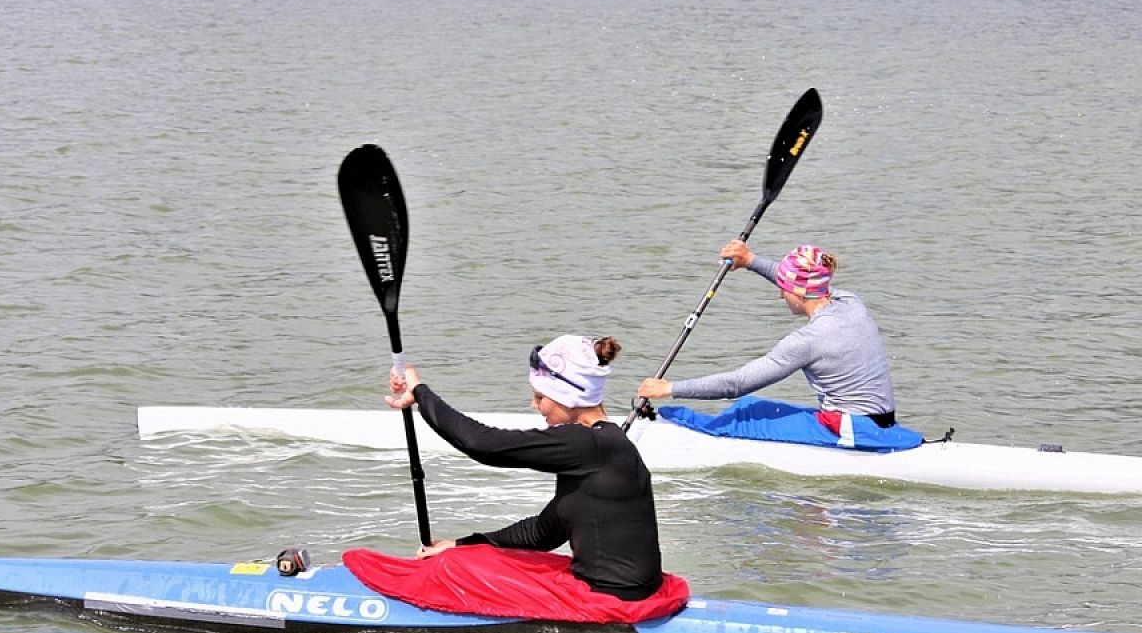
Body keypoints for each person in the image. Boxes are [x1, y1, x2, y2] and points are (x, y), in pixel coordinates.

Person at [385, 334, 665, 602]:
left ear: (567, 396)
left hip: (611, 599)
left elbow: (481, 443)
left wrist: (420, 392)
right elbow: (542, 532)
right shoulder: (607, 443)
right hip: (631, 589)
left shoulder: (584, 443)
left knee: (453, 574)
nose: (535, 406)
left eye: (540, 397)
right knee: (465, 559)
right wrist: (461, 546)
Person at [638, 241, 901, 431]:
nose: (780, 294)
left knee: (746, 415)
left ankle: (666, 423)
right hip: (881, 420)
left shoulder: (808, 340)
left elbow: (737, 384)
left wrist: (669, 388)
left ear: (797, 291)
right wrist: (750, 260)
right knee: (754, 409)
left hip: (851, 429)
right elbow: (795, 279)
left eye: (784, 289)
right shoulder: (851, 301)